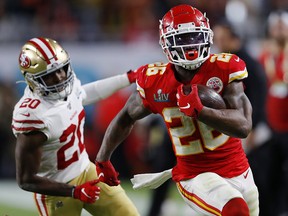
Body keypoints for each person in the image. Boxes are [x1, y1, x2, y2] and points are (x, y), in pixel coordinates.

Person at [95, 4, 259, 216]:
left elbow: (244, 126)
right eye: (182, 39)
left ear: (207, 36)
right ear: (166, 43)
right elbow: (126, 117)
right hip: (195, 175)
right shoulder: (155, 81)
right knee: (235, 210)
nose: (190, 45)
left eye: (195, 36)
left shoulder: (225, 68)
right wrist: (102, 159)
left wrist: (201, 111)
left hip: (239, 169)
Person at [11, 37, 140, 216]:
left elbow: (86, 93)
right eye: (48, 76)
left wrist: (130, 77)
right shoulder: (32, 115)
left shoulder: (68, 87)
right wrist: (74, 191)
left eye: (61, 70)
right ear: (32, 80)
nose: (59, 78)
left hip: (87, 170)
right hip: (56, 191)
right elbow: (25, 180)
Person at [213, 21, 271, 215]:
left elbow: (260, 95)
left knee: (253, 181)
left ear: (233, 38)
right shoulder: (225, 61)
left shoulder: (244, 63)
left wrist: (255, 127)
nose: (218, 43)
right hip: (237, 127)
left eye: (222, 38)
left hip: (250, 129)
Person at [258, 10, 288, 215]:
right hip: (269, 126)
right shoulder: (263, 57)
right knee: (267, 176)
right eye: (275, 26)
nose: (278, 29)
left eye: (282, 25)